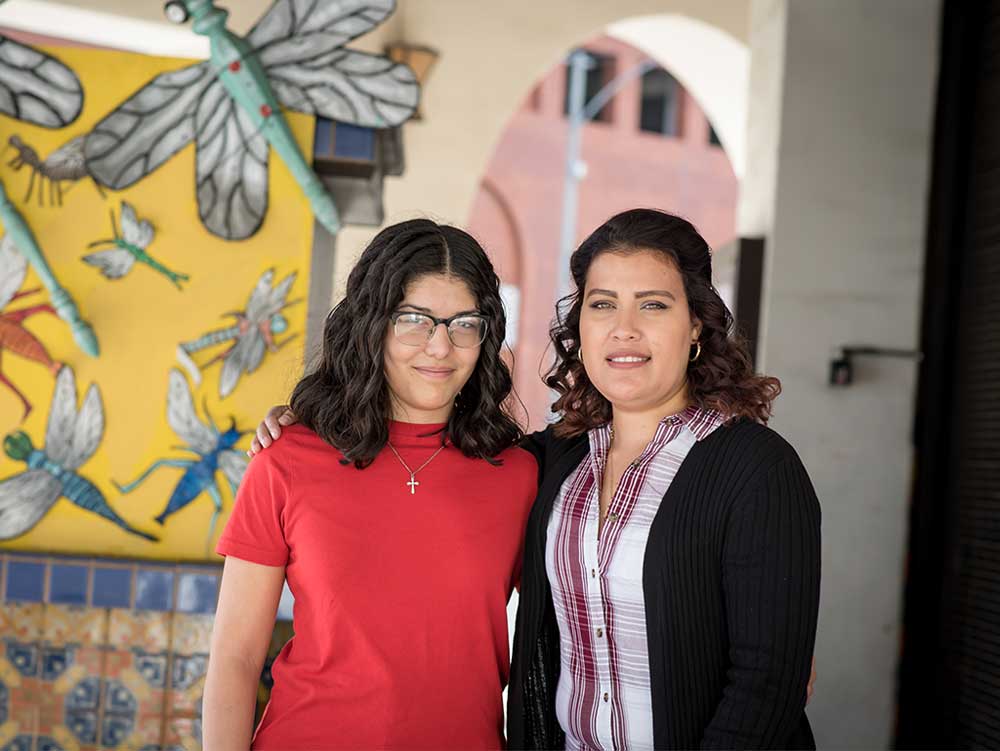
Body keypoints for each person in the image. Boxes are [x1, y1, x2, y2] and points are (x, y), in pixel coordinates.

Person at [251, 209, 821, 750]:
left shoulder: (757, 470)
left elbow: (770, 682)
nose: (624, 330)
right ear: (580, 327)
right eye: (602, 305)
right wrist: (316, 418)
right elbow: (431, 455)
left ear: (696, 324)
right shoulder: (551, 463)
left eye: (653, 306)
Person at [202, 219, 538, 750]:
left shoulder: (519, 476)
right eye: (414, 320)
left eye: (463, 324)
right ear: (372, 324)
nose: (440, 347)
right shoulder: (286, 461)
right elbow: (236, 657)